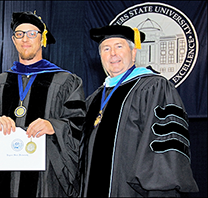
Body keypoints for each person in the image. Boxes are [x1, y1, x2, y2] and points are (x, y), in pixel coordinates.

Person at [0, 11, 86, 197]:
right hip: (0, 177)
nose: (25, 39)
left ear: (42, 39)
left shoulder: (66, 82)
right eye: (20, 34)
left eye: (32, 34)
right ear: (14, 40)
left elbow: (79, 125)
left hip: (45, 180)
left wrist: (54, 125)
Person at [79, 25, 199, 197]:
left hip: (132, 191)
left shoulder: (154, 87)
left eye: (119, 46)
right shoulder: (94, 99)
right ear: (100, 57)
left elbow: (164, 145)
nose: (112, 53)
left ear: (134, 52)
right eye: (106, 49)